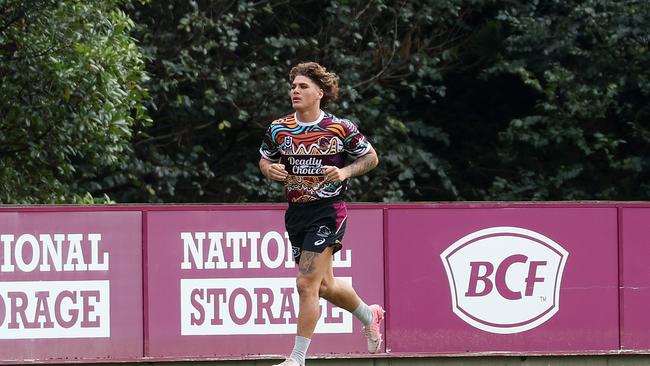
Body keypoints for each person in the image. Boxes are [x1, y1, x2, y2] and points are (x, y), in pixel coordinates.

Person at [259, 62, 384, 366]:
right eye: (293, 87)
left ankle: (297, 359)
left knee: (305, 284)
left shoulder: (339, 127)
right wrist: (270, 170)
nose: (295, 91)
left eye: (303, 87)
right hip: (296, 212)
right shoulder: (279, 128)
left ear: (320, 92)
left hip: (328, 211)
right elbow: (264, 160)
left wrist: (344, 172)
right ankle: (370, 315)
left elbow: (371, 157)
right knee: (323, 286)